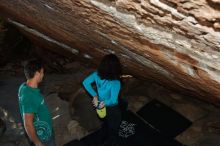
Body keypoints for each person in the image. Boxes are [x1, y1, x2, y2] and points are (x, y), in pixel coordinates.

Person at [83, 54, 122, 146]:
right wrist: (102, 102)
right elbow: (113, 100)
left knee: (105, 120)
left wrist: (95, 96)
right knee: (114, 127)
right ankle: (111, 141)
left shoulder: (96, 74)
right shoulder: (116, 82)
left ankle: (106, 135)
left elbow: (85, 83)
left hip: (100, 105)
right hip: (112, 109)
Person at [18, 59, 55, 146]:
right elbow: (27, 124)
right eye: (42, 72)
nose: (43, 75)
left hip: (44, 130)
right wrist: (37, 143)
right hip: (42, 137)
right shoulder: (31, 96)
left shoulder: (23, 87)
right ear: (37, 74)